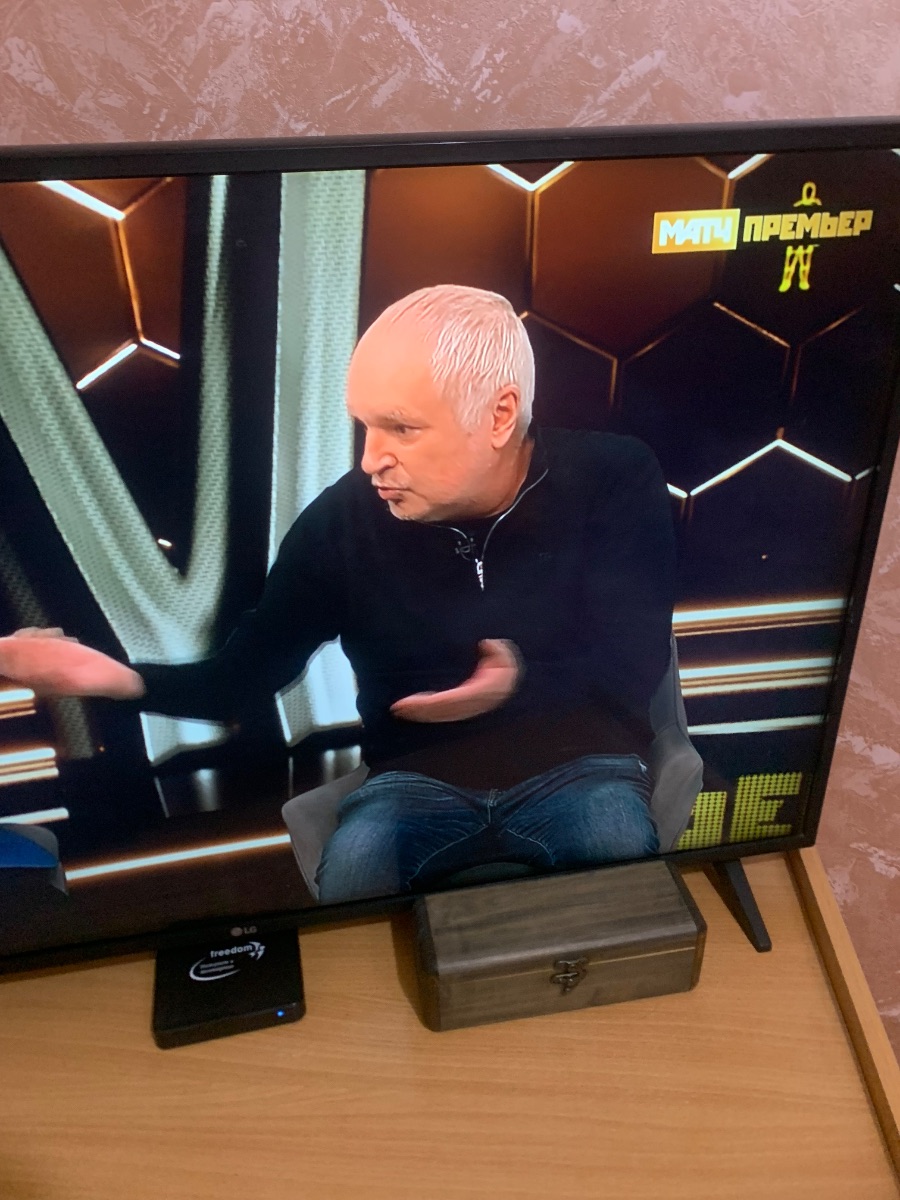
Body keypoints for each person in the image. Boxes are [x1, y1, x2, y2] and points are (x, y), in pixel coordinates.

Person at [0, 285, 676, 903]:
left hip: (580, 768)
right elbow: (241, 679)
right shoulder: (341, 522)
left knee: (620, 886)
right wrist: (113, 681)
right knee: (352, 894)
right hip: (414, 783)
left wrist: (516, 684)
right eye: (365, 426)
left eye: (402, 428)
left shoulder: (612, 477)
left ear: (499, 416)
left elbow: (634, 663)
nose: (371, 458)